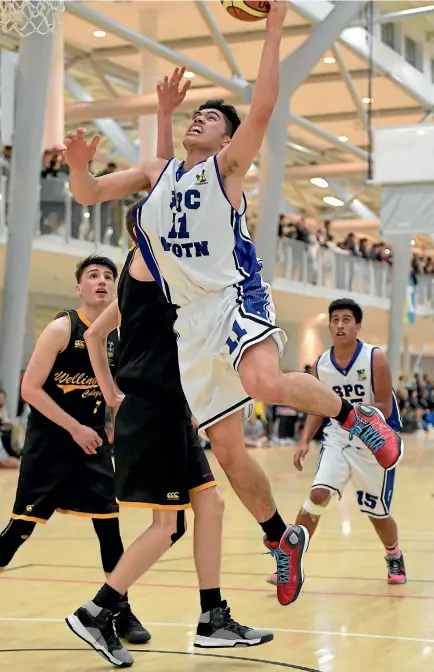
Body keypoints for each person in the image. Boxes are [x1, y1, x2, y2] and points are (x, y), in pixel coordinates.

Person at [62, 0, 402, 610]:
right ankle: (282, 539)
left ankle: (358, 421)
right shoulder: (156, 173)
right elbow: (88, 192)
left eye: (213, 116)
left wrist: (274, 28)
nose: (203, 118)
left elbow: (266, 106)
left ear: (226, 136)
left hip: (235, 296)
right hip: (189, 325)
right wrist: (81, 168)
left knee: (263, 378)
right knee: (224, 450)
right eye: (199, 113)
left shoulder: (227, 169)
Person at [65, 71, 272, 667]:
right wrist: (111, 391)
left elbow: (170, 172)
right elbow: (98, 190)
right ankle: (97, 611)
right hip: (153, 398)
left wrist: (162, 111)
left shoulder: (196, 234)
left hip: (176, 399)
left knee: (209, 506)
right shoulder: (145, 263)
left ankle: (212, 616)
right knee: (166, 527)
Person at [0, 254, 150, 644]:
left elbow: (116, 391)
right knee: (19, 531)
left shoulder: (118, 334)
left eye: (108, 277)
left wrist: (116, 428)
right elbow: (29, 389)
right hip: (49, 448)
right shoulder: (62, 327)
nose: (101, 281)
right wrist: (75, 427)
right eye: (92, 276)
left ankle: (121, 612)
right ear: (79, 288)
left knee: (109, 530)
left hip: (92, 448)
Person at [268, 299, 406, 586]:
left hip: (374, 443)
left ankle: (394, 555)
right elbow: (318, 406)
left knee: (376, 513)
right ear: (329, 325)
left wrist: (349, 408)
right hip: (338, 439)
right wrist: (304, 439)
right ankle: (290, 559)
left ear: (358, 326)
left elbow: (385, 406)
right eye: (335, 320)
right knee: (318, 494)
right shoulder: (321, 364)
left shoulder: (374, 357)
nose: (340, 325)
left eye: (346, 320)